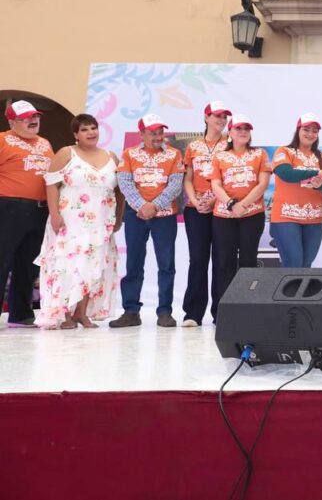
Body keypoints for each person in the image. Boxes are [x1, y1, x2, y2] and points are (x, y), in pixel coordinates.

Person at [36, 114, 123, 329]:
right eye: (84, 129)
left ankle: (82, 314)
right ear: (76, 134)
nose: (91, 132)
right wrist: (55, 215)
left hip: (101, 222)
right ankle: (64, 314)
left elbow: (120, 191)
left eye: (93, 128)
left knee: (93, 267)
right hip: (70, 220)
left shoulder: (111, 156)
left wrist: (119, 218)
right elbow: (51, 184)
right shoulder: (67, 153)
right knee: (68, 265)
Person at [111, 113, 185, 328]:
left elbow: (175, 184)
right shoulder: (129, 154)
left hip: (165, 216)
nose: (157, 136)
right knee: (134, 263)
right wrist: (142, 206)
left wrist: (155, 206)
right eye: (152, 132)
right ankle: (131, 311)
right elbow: (124, 182)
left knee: (166, 265)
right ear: (141, 133)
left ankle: (165, 312)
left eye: (160, 132)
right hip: (136, 215)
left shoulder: (173, 154)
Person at [209, 114, 271, 320]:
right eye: (238, 128)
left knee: (248, 261)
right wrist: (230, 204)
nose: (243, 132)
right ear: (230, 133)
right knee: (224, 262)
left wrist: (242, 205)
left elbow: (262, 184)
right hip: (223, 215)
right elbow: (215, 184)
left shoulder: (259, 154)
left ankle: (247, 311)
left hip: (251, 214)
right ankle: (224, 312)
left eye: (247, 128)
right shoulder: (219, 156)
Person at [0, 100, 54, 328]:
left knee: (29, 263)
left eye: (36, 116)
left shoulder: (45, 143)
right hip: (8, 208)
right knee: (1, 260)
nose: (33, 121)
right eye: (26, 118)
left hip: (39, 210)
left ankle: (20, 314)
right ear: (12, 122)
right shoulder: (2, 140)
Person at [181, 100, 230, 327]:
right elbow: (188, 178)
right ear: (206, 117)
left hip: (221, 208)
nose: (221, 120)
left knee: (222, 259)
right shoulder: (194, 146)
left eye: (224, 117)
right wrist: (194, 200)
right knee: (198, 260)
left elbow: (231, 179)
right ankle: (193, 313)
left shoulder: (230, 145)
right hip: (196, 209)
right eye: (216, 116)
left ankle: (221, 312)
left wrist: (213, 199)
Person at [270, 113, 322, 268]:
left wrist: (320, 183)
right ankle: (283, 293)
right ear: (298, 130)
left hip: (314, 217)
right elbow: (286, 173)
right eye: (306, 129)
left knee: (306, 266)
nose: (310, 134)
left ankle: (301, 293)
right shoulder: (284, 151)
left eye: (314, 131)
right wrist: (315, 173)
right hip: (286, 216)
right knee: (293, 264)